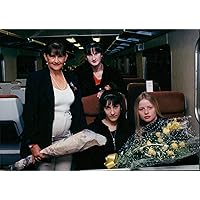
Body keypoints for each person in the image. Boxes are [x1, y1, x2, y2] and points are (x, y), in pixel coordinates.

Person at [20, 41, 86, 171]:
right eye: (52, 56)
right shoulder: (36, 78)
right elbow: (29, 112)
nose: (56, 60)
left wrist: (80, 136)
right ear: (46, 57)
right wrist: (32, 143)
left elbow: (78, 110)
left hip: (66, 142)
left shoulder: (72, 78)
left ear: (65, 57)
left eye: (60, 56)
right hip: (43, 142)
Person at [116, 92, 199, 169]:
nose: (146, 112)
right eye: (141, 109)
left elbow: (187, 153)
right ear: (137, 111)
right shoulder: (132, 130)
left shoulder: (170, 127)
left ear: (155, 108)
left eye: (150, 108)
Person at [75, 89, 131, 170]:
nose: (112, 112)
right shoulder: (92, 130)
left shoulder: (129, 128)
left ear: (121, 107)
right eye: (107, 108)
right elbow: (85, 162)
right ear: (103, 109)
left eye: (115, 107)